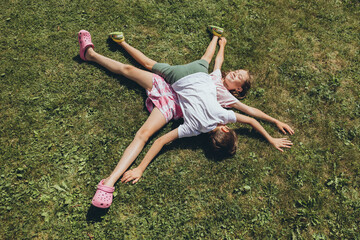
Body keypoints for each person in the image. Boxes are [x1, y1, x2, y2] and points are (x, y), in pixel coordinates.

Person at [78, 27, 293, 208]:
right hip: (176, 86)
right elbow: (162, 140)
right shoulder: (205, 121)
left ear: (226, 128)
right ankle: (90, 54)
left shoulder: (220, 112)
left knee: (141, 122)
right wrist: (141, 169)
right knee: (131, 73)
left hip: (173, 100)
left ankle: (109, 183)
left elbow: (252, 116)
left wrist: (272, 132)